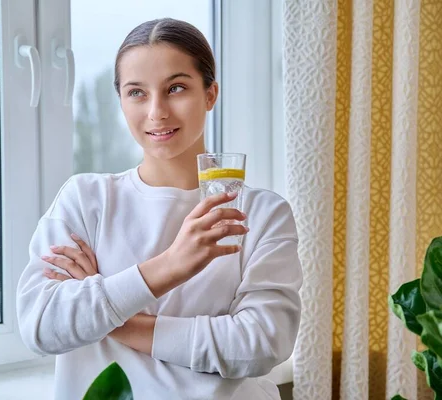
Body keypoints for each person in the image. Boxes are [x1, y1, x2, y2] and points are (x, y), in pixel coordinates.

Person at [16, 17, 302, 400]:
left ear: (210, 94)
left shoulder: (262, 213)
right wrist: (169, 266)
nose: (157, 112)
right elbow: (42, 326)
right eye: (137, 92)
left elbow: (262, 344)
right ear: (120, 99)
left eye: (176, 88)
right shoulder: (86, 200)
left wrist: (111, 319)